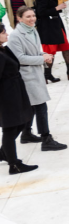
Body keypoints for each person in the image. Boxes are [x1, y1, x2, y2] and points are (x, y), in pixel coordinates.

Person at [8, 7, 67, 150]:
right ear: (19, 18)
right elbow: (19, 58)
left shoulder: (32, 29)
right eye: (28, 16)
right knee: (41, 106)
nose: (32, 18)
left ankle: (26, 133)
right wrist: (41, 58)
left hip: (35, 73)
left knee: (33, 106)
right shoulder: (16, 35)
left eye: (33, 15)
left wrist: (43, 54)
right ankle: (46, 139)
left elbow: (34, 50)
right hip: (26, 75)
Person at [0, 23, 37, 174]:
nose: (7, 35)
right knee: (10, 128)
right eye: (4, 33)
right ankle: (13, 164)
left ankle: (4, 153)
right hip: (7, 95)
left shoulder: (2, 48)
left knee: (21, 123)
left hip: (15, 91)